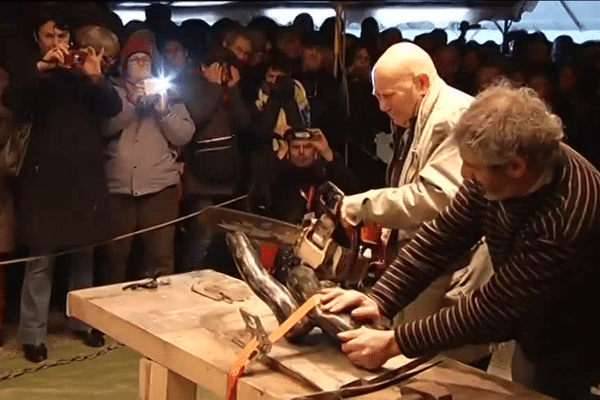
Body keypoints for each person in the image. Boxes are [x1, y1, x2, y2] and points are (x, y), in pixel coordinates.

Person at [321, 82, 600, 399]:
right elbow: (441, 237)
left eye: (473, 167)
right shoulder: (499, 170)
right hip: (532, 326)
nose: (464, 174)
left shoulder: (567, 216)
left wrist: (394, 342)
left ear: (516, 167)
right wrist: (380, 299)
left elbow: (494, 311)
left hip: (575, 339)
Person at [338, 42, 492, 364]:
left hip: (451, 269)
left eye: (388, 96)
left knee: (438, 368)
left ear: (421, 83)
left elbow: (434, 198)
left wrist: (361, 206)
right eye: (377, 97)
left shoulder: (452, 117)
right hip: (425, 262)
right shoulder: (420, 115)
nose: (381, 107)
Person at [2, 8, 122, 362]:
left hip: (84, 177)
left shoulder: (86, 76)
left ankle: (84, 322)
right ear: (38, 40)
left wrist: (96, 78)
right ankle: (32, 335)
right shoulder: (34, 74)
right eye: (50, 37)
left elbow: (113, 107)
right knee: (41, 259)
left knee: (84, 255)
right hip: (43, 179)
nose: (58, 44)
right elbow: (13, 102)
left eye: (63, 37)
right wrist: (41, 68)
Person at [103, 29, 194, 284]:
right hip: (118, 187)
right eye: (135, 59)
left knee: (161, 258)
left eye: (146, 59)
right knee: (114, 258)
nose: (141, 63)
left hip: (159, 187)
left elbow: (184, 134)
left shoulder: (169, 93)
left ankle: (161, 317)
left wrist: (162, 110)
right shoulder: (112, 93)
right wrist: (132, 104)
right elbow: (104, 127)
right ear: (124, 65)